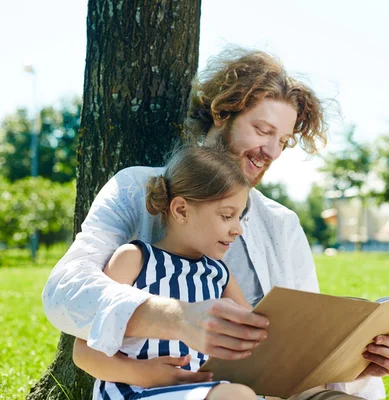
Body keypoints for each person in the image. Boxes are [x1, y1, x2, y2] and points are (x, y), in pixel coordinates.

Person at [43, 48, 389, 400]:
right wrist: (177, 319)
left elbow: (300, 344)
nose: (272, 152)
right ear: (222, 113)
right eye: (263, 130)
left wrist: (363, 358)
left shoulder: (282, 224)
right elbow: (64, 293)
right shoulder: (136, 188)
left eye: (282, 141)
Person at [73, 146, 257, 399]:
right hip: (134, 391)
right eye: (227, 216)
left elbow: (256, 338)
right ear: (181, 210)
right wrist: (142, 374)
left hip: (201, 391)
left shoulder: (219, 275)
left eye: (240, 217)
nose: (238, 229)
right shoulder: (135, 260)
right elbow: (83, 352)